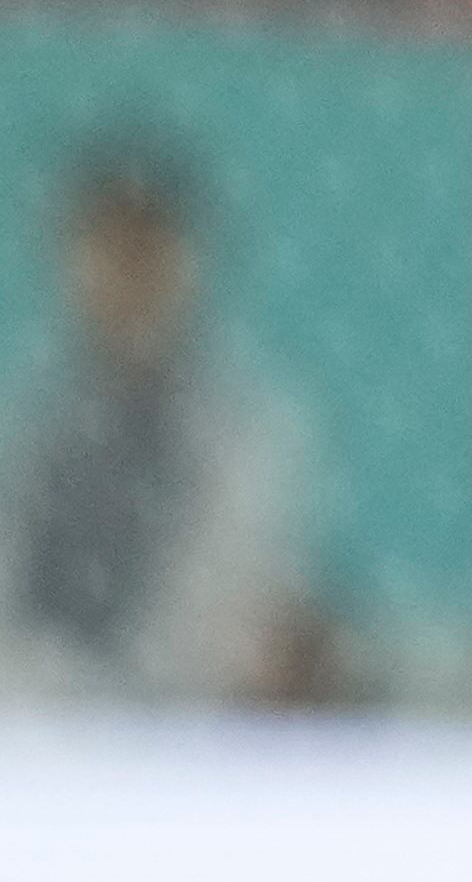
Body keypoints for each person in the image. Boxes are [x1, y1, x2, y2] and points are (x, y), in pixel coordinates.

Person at [0, 144, 332, 704]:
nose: (127, 275)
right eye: (107, 251)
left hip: (182, 730)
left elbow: (232, 605)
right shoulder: (32, 423)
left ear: (188, 264)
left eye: (146, 251)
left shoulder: (246, 429)